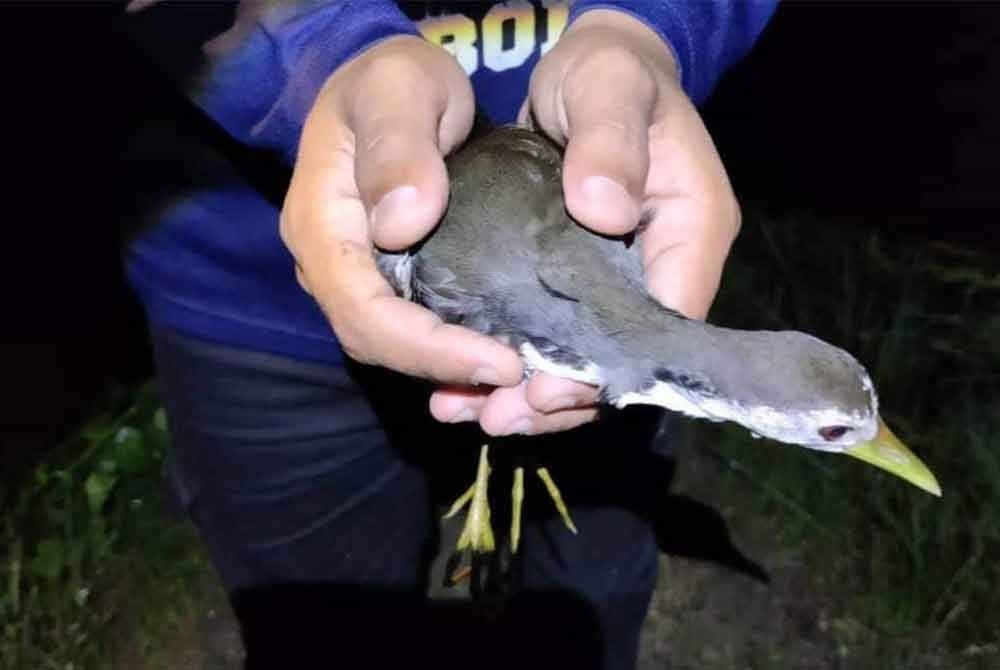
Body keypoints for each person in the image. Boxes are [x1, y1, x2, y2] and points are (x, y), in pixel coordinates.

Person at [121, 2, 777, 668]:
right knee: (326, 633)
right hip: (257, 302)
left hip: (608, 271)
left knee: (588, 613)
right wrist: (323, 44)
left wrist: (646, 32)